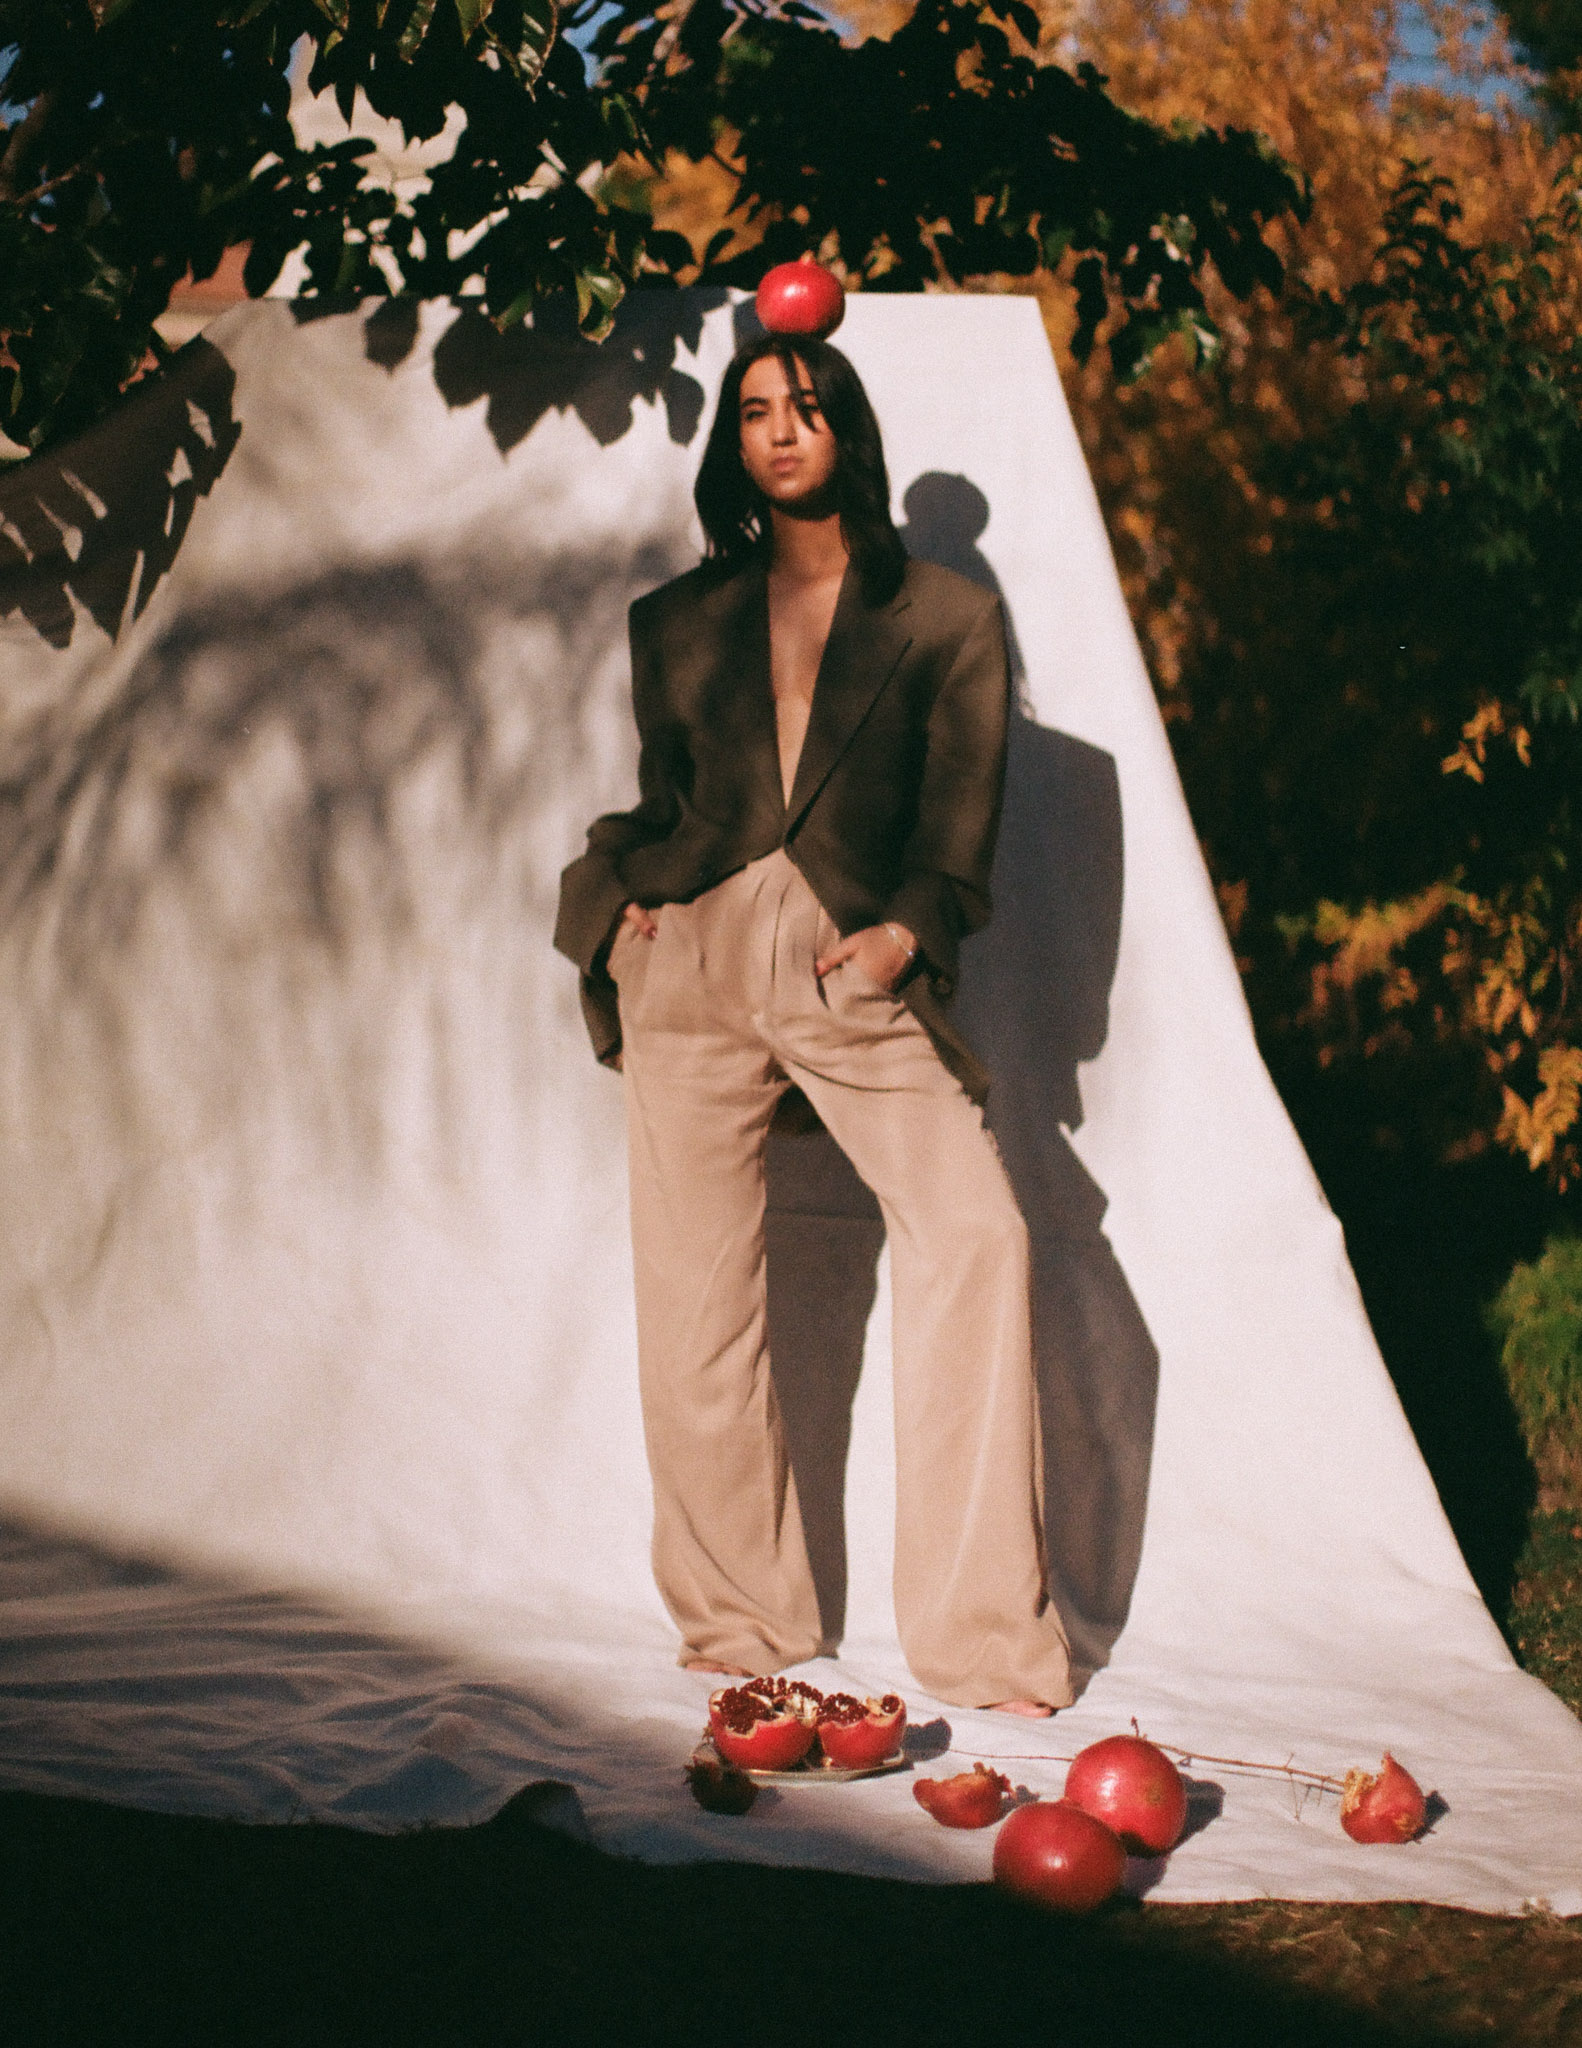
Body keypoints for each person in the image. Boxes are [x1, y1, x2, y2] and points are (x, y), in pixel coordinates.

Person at [555, 332, 1072, 1715]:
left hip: (846, 964)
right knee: (697, 1296)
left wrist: (904, 931)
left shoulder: (947, 619)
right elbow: (671, 805)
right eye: (755, 412)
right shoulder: (675, 621)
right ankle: (740, 1623)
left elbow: (956, 830)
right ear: (733, 443)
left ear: (848, 427)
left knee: (979, 1234)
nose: (781, 430)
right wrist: (626, 908)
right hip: (690, 958)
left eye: (806, 407)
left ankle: (980, 1638)